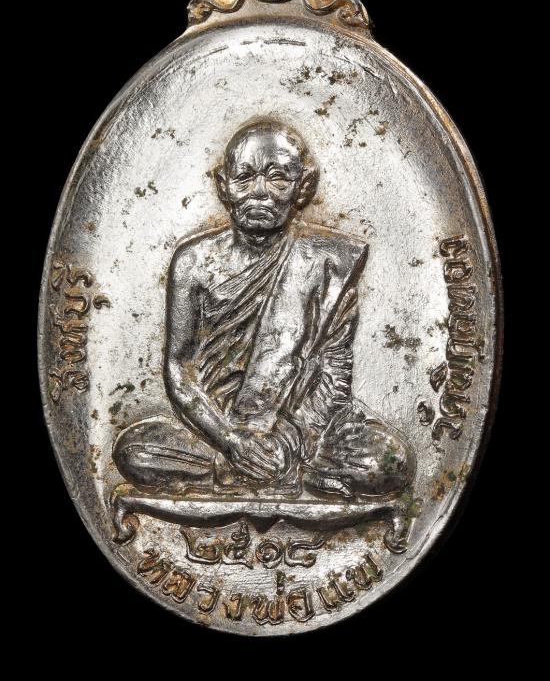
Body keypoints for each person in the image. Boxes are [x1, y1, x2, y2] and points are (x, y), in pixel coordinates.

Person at [113, 120, 415, 498]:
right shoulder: (193, 262)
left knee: (389, 461)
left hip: (300, 429)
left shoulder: (329, 262)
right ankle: (255, 469)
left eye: (277, 178)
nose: (259, 192)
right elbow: (179, 369)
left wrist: (288, 439)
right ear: (223, 185)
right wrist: (229, 440)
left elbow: (333, 372)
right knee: (135, 450)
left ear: (303, 186)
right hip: (215, 427)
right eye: (244, 177)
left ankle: (254, 469)